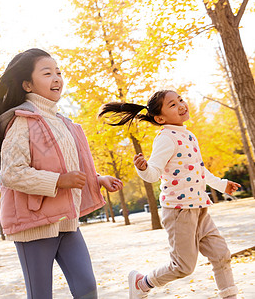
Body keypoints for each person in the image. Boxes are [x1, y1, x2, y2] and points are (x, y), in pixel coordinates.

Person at [0, 48, 123, 299]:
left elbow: (66, 166)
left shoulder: (63, 122)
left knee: (87, 288)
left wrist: (97, 179)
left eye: (58, 72)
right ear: (27, 84)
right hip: (33, 224)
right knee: (41, 295)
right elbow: (11, 173)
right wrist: (59, 181)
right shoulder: (22, 121)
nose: (56, 78)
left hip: (66, 219)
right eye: (47, 73)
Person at [99, 90, 240, 299]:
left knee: (221, 255)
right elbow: (153, 173)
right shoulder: (166, 138)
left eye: (181, 100)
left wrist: (221, 185)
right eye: (172, 104)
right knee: (183, 266)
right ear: (160, 118)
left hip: (200, 207)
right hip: (178, 211)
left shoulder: (189, 135)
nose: (181, 105)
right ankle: (142, 283)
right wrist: (143, 168)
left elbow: (200, 170)